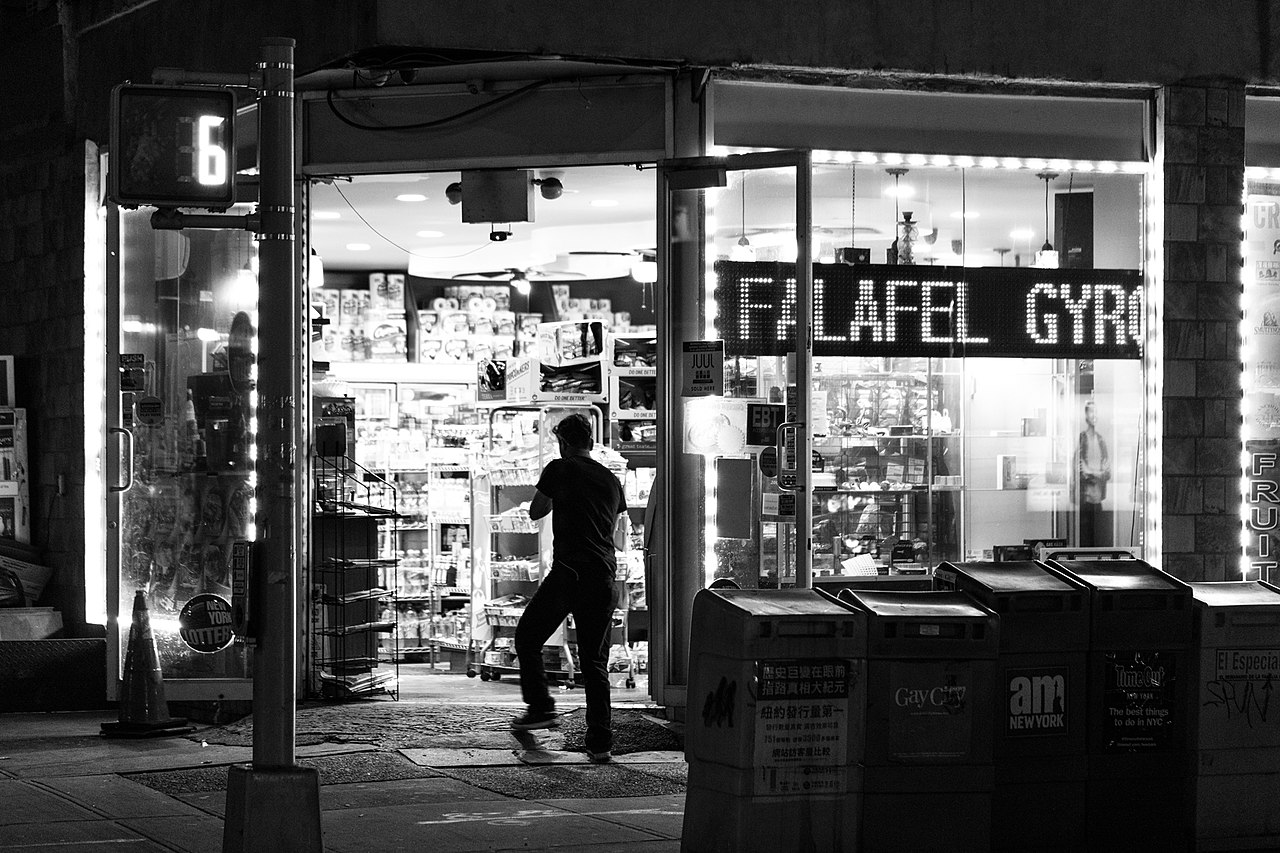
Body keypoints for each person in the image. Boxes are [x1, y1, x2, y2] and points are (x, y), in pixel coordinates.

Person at [510, 412, 628, 764]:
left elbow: (536, 511)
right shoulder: (610, 479)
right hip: (604, 574)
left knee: (528, 637)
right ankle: (601, 743)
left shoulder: (558, 468)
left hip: (569, 572)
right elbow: (617, 529)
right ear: (590, 441)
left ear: (563, 442)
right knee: (594, 662)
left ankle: (541, 707)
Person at [1073, 399, 1111, 546]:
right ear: (1085, 415)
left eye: (1096, 411)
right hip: (1085, 500)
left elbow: (1107, 473)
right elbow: (1081, 472)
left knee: (1100, 544)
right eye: (1091, 411)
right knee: (1085, 542)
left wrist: (1093, 472)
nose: (1094, 415)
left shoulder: (1101, 440)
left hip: (1098, 500)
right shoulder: (1081, 439)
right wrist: (1098, 473)